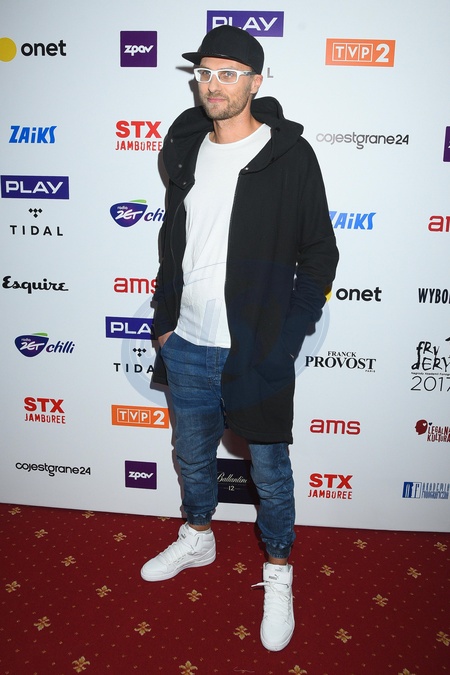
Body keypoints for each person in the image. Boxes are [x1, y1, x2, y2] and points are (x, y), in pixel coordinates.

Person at [141, 25, 339, 652]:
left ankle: (278, 570)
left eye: (228, 73)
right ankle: (198, 536)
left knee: (271, 472)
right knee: (192, 456)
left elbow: (320, 253)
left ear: (255, 81)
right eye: (205, 72)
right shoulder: (185, 148)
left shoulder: (288, 155)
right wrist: (163, 324)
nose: (213, 84)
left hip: (257, 348)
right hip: (187, 343)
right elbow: (174, 245)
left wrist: (288, 336)